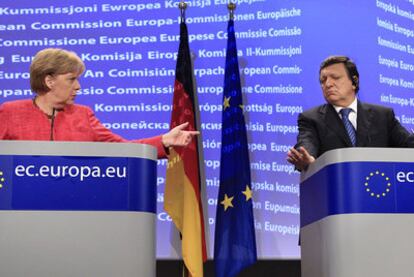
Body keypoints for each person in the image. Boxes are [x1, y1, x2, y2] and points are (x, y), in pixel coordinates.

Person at [0, 48, 198, 158]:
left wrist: (164, 140)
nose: (78, 87)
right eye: (71, 79)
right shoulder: (10, 112)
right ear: (49, 81)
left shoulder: (83, 115)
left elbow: (123, 150)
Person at [287, 55, 414, 171]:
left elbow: (408, 147)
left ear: (354, 82)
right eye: (323, 80)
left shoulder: (383, 115)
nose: (328, 84)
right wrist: (307, 159)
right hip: (336, 190)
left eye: (335, 78)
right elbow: (306, 143)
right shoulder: (310, 118)